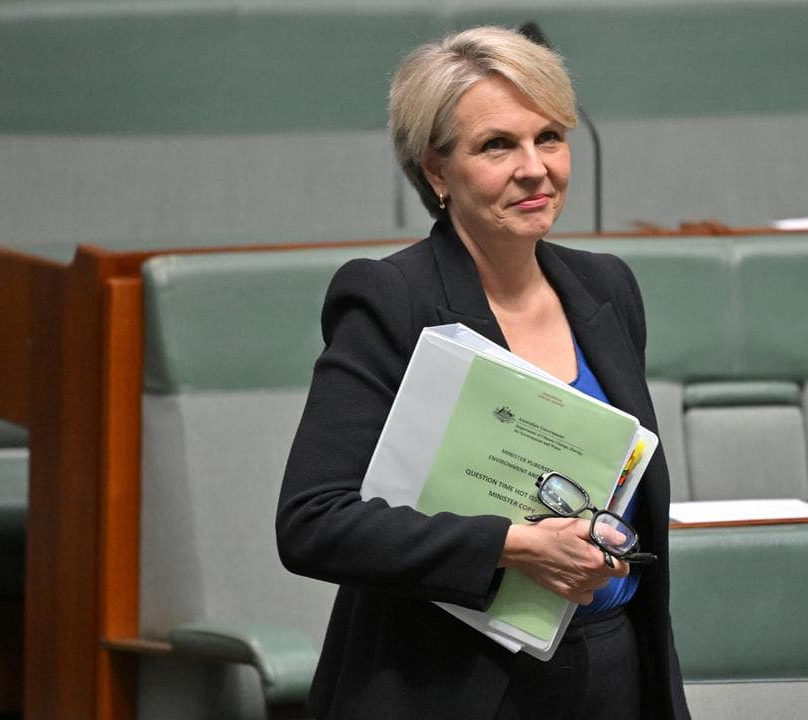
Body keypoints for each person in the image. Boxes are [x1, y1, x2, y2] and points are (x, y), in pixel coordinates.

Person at [277, 25, 689, 719]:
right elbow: (314, 522)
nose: (535, 168)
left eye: (550, 137)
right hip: (450, 686)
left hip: (612, 670)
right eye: (498, 145)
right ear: (437, 171)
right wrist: (515, 546)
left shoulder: (608, 289)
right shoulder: (392, 300)